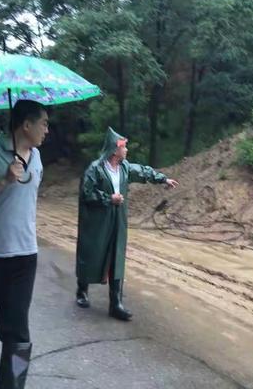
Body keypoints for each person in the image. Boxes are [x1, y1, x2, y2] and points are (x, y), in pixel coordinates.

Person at [0, 100, 49, 389]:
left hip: (24, 258)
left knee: (18, 335)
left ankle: (13, 385)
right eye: (43, 123)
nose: (47, 130)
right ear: (26, 125)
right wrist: (3, 180)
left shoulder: (38, 157)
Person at [75, 127, 178, 321]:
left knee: (117, 256)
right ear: (115, 150)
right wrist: (108, 198)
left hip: (118, 219)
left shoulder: (124, 167)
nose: (126, 150)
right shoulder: (95, 169)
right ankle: (82, 291)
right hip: (98, 220)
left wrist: (163, 178)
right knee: (92, 252)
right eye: (124, 147)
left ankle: (116, 304)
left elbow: (142, 171)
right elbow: (86, 193)